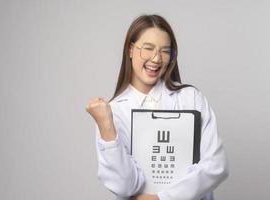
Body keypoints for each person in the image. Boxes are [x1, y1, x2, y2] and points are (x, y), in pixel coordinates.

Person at [85, 14, 229, 200]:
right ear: (130, 49)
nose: (156, 59)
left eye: (165, 51)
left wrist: (162, 198)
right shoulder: (113, 112)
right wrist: (106, 127)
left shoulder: (191, 99)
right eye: (148, 48)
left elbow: (216, 165)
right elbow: (124, 186)